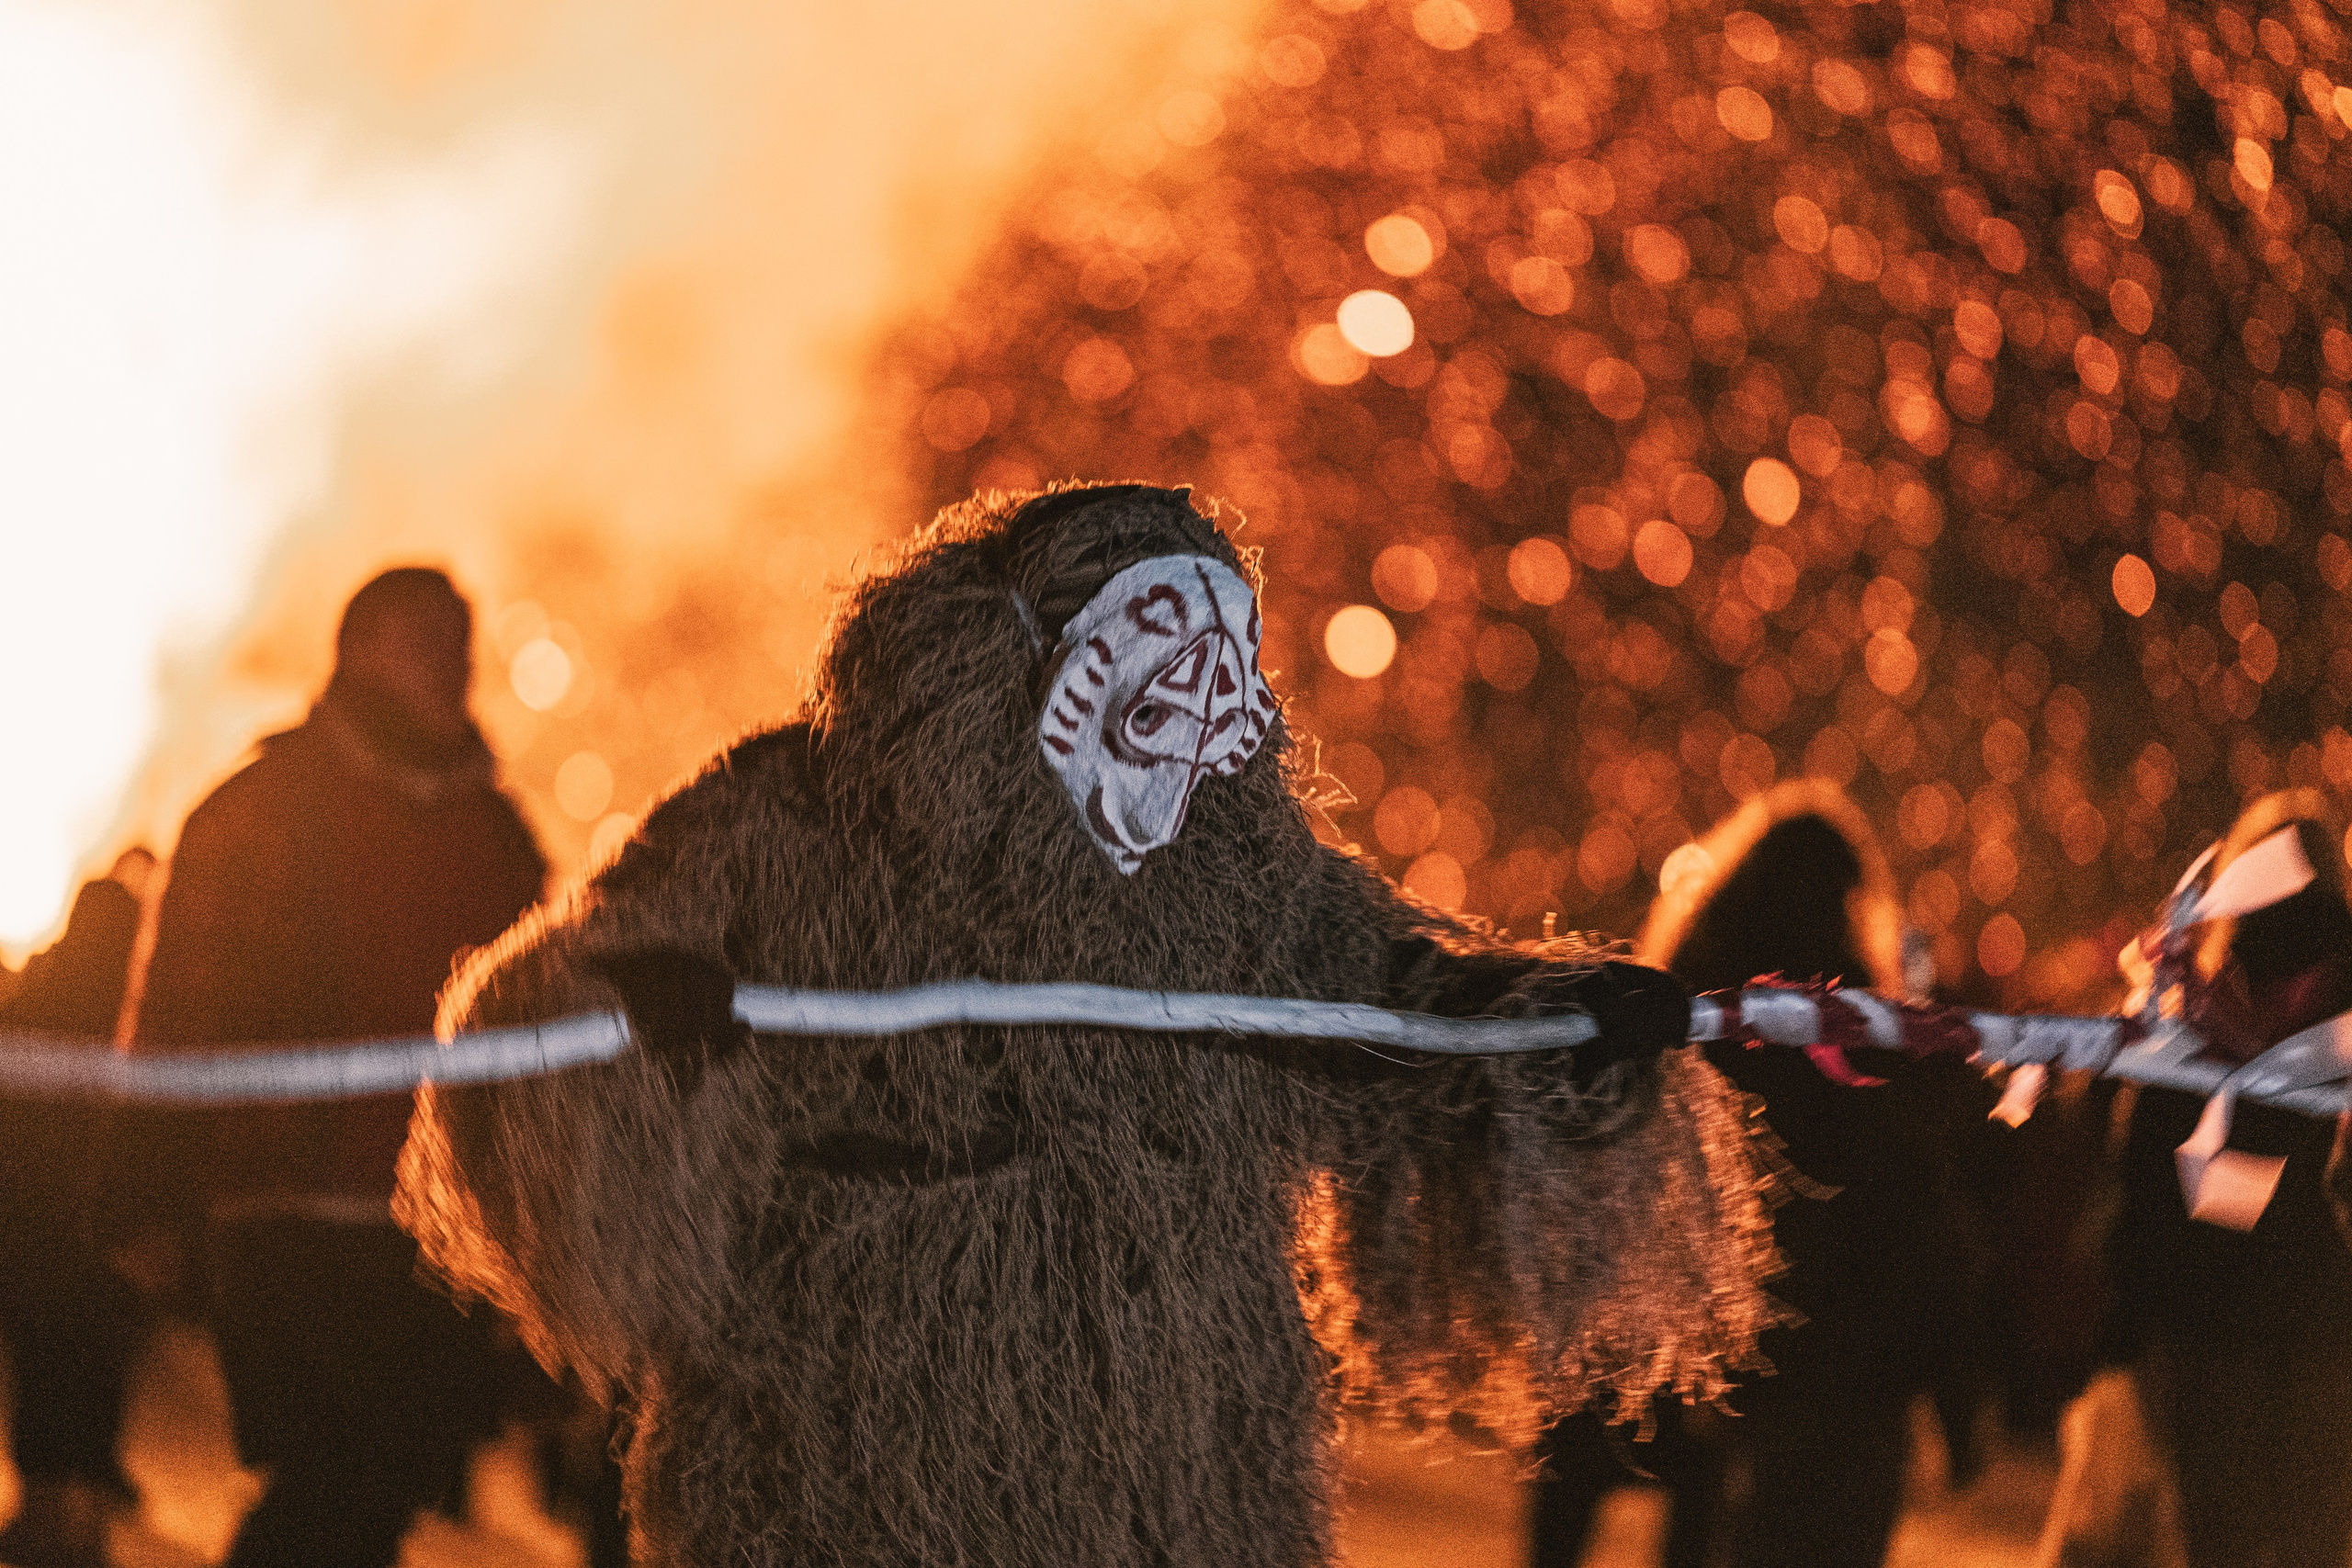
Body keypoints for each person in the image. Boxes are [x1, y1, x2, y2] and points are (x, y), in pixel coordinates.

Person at [397, 483, 1777, 1567]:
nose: (1188, 734)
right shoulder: (794, 824)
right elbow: (538, 1031)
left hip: (1185, 1491)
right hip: (864, 1482)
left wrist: (1555, 1029)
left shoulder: (1240, 875)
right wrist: (636, 1016)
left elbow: (1401, 1004)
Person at [126, 567, 546, 1568]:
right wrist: (140, 1201)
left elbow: (536, 1022)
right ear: (359, 652)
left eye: (461, 641)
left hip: (439, 1226)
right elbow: (178, 1017)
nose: (456, 664)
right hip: (289, 1212)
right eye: (427, 641)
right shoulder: (257, 815)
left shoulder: (492, 835)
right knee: (330, 1480)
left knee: (384, 1485)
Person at [1531, 782, 1996, 1568]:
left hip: (1667, 1346)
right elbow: (1914, 1218)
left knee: (1660, 1508)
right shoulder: (1856, 1045)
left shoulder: (1673, 1021)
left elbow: (1585, 1183)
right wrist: (1955, 1394)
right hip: (1816, 1377)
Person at [2081, 791, 2352, 1568]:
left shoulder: (2195, 998)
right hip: (2325, 1317)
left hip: (2213, 1320)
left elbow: (2150, 1168)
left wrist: (2127, 1317)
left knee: (2218, 1535)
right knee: (2314, 1536)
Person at [0, 850, 155, 1567]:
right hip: (98, 1232)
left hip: (31, 1223)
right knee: (91, 1374)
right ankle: (77, 1524)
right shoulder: (132, 1013)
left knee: (44, 1369)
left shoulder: (34, 1002)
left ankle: (46, 1516)